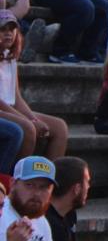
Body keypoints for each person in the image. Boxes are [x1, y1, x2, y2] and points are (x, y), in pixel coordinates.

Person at [0, 11, 69, 160]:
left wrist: (34, 119)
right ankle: (20, 178)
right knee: (27, 128)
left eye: (11, 29)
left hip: (10, 109)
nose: (8, 34)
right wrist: (28, 121)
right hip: (2, 110)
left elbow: (16, 99)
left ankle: (50, 178)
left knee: (59, 127)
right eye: (3, 29)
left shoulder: (9, 58)